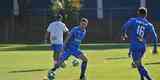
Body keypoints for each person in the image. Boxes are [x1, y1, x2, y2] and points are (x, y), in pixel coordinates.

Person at [121, 7, 158, 80]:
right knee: (138, 63)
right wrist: (155, 48)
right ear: (146, 14)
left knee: (138, 65)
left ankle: (149, 78)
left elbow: (124, 26)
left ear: (138, 13)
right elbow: (155, 37)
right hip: (143, 47)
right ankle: (141, 78)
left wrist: (124, 34)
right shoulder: (149, 24)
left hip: (135, 47)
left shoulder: (133, 20)